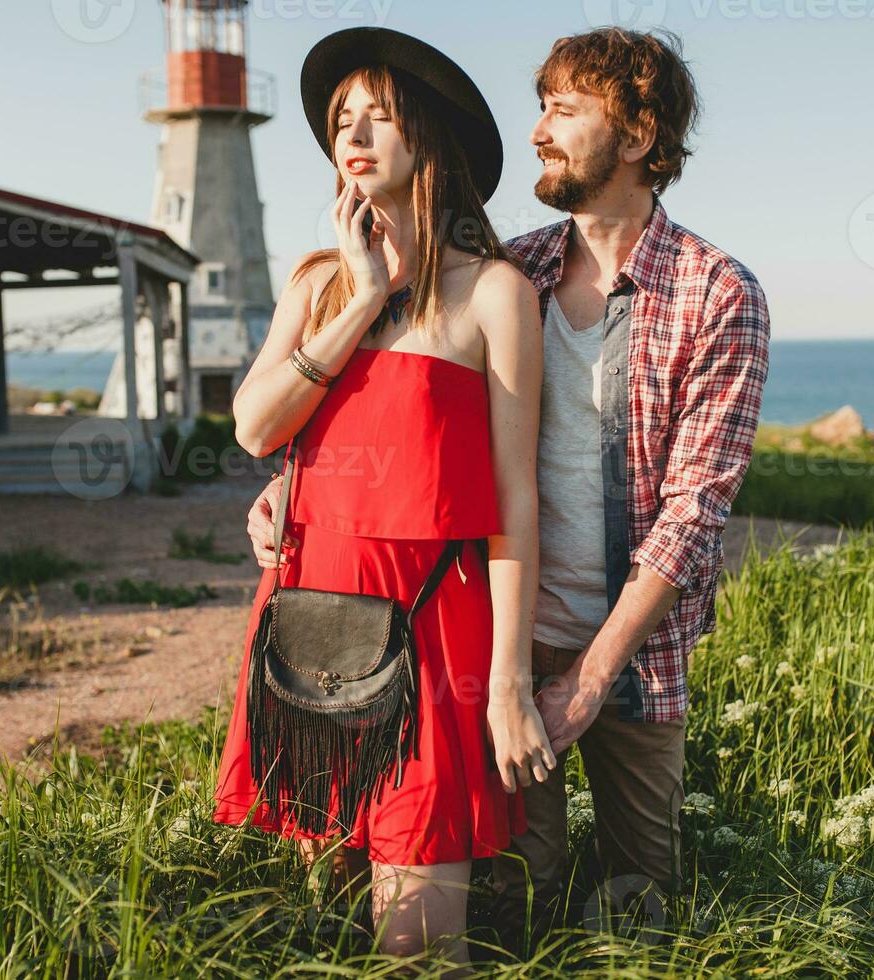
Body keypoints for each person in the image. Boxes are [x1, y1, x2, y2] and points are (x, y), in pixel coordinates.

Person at [245, 26, 772, 953]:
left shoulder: (715, 291)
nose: (538, 130)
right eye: (540, 107)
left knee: (635, 908)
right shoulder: (516, 265)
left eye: (563, 110)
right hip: (491, 634)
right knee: (514, 900)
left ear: (640, 136)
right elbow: (394, 419)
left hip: (628, 658)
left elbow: (695, 513)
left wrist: (586, 679)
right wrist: (296, 484)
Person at [211, 26, 556, 969]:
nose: (352, 136)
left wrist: (510, 683)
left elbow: (514, 501)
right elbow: (253, 427)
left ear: (429, 138)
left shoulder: (494, 294)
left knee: (415, 940)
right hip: (309, 619)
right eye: (339, 120)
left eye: (380, 116)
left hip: (432, 629)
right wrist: (363, 296)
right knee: (320, 918)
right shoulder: (319, 284)